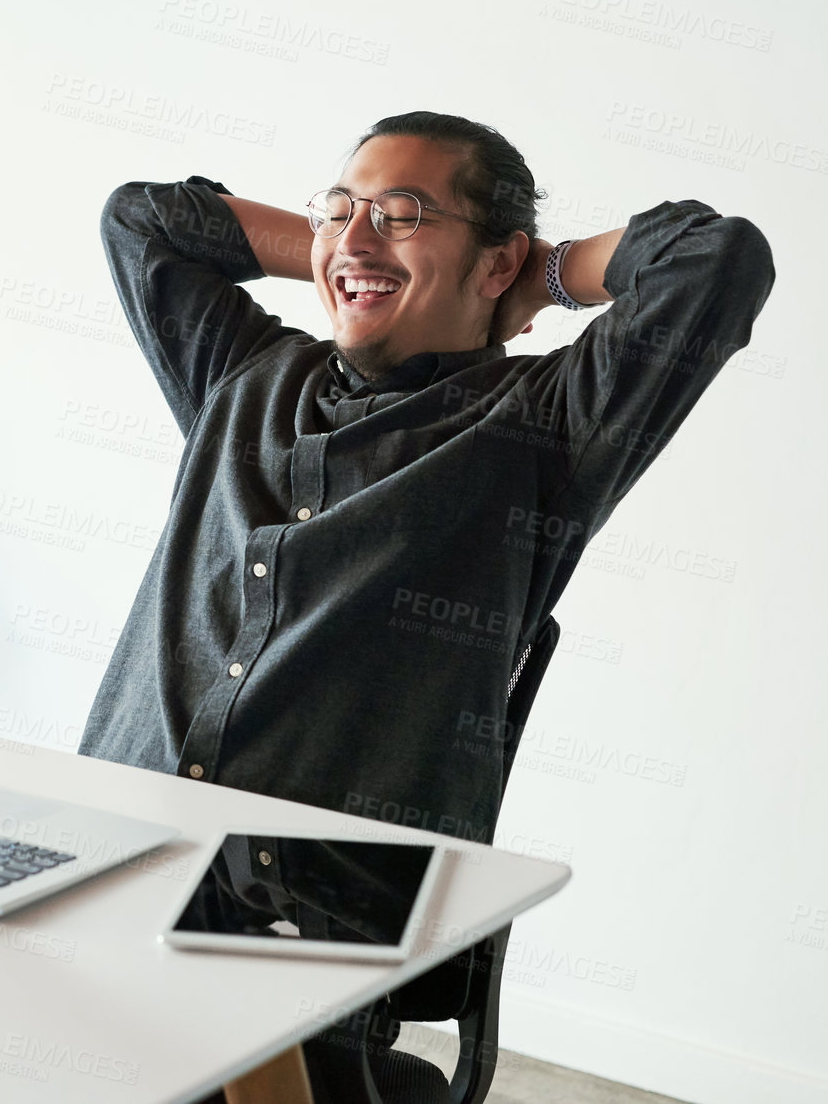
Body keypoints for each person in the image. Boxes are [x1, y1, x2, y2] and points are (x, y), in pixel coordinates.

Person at [73, 110, 775, 1099]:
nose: (356, 237)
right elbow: (141, 220)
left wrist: (543, 270)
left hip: (304, 911)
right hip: (111, 852)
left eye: (402, 213)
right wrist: (351, 248)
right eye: (339, 209)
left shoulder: (546, 429)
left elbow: (717, 261)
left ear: (496, 263)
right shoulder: (239, 377)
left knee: (164, 998)